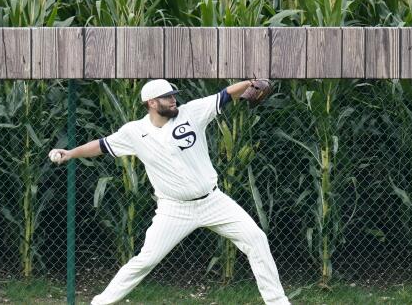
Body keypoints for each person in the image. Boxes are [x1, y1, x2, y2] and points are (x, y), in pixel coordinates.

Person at [49, 78, 288, 305]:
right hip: (174, 210)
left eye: (173, 96)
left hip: (213, 201)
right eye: (167, 97)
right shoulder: (134, 132)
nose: (173, 100)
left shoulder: (191, 113)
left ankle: (278, 303)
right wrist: (70, 153)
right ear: (151, 103)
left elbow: (224, 95)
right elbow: (101, 145)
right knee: (145, 260)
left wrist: (249, 83)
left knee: (256, 239)